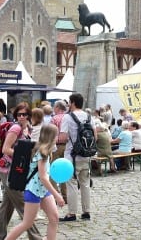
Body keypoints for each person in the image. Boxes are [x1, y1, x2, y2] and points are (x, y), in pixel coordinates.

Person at [4, 124, 65, 240]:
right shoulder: (43, 152)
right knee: (27, 223)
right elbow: (43, 177)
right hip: (33, 190)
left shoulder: (47, 149)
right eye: (56, 135)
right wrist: (57, 195)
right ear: (51, 136)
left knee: (54, 218)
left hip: (43, 190)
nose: (57, 137)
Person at [0, 103, 43, 240]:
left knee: (7, 205)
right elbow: (5, 149)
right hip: (8, 170)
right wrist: (23, 156)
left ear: (29, 115)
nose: (21, 117)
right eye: (19, 114)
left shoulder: (28, 129)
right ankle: (36, 237)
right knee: (23, 204)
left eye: (24, 114)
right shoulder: (15, 128)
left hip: (18, 170)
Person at [58, 93, 96, 222]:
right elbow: (94, 136)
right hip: (86, 154)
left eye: (69, 102)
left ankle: (72, 213)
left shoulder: (67, 118)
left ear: (73, 103)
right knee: (85, 183)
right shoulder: (89, 117)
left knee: (72, 184)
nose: (68, 104)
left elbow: (63, 138)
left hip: (72, 155)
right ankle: (86, 211)